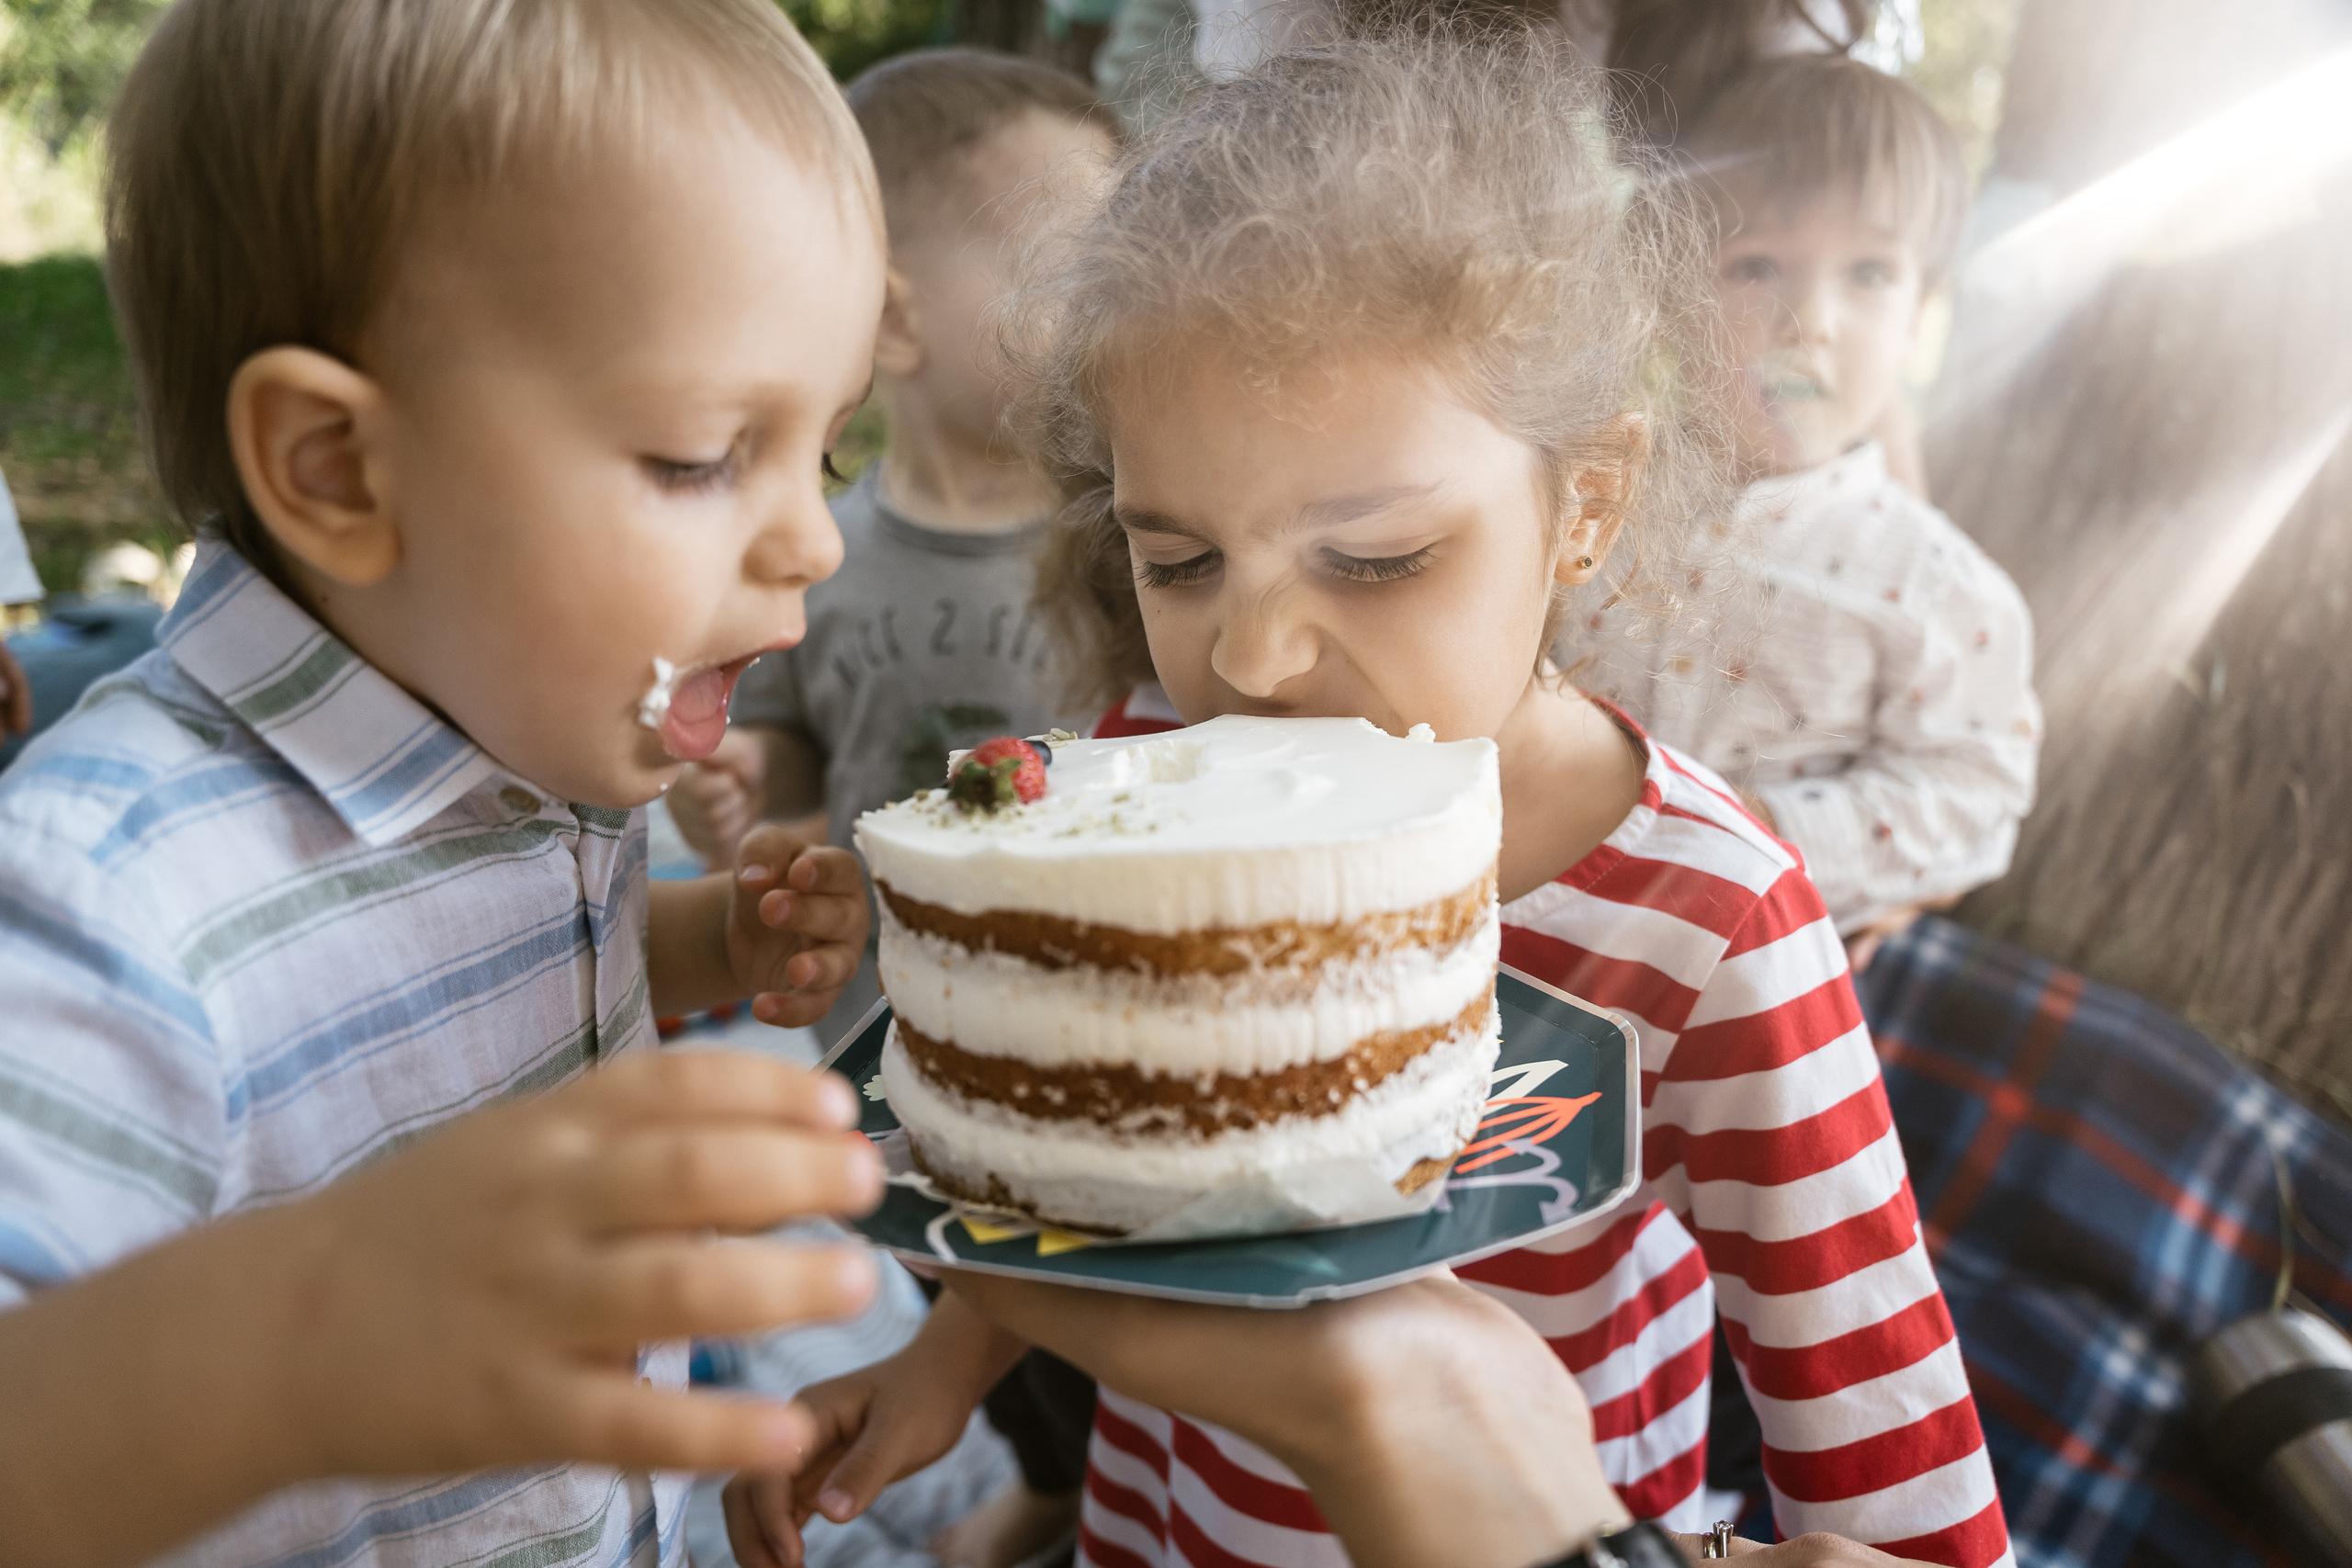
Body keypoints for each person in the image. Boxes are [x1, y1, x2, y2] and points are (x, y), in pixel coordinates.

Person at [724, 29, 2010, 1568]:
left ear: (1584, 504)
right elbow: (1086, 1157)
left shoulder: (1711, 928)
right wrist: (940, 1365)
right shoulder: (1143, 773)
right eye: (1180, 560)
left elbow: (1906, 1494)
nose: (1251, 658)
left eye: (1377, 557)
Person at [0, 1, 897, 1562]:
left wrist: (706, 943)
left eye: (821, 453)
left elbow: (469, 953)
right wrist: (294, 1340)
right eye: (700, 455)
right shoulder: (103, 896)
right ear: (338, 470)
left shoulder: (515, 724)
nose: (815, 538)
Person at [668, 47, 1115, 1054]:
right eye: (1074, 271)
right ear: (893, 319)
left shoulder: (1127, 541)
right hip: (883, 1033)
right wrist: (744, 781)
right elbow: (797, 766)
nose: (1115, 306)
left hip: (1100, 1019)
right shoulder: (811, 552)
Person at [1565, 55, 2039, 966]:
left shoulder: (1938, 584)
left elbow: (1974, 791)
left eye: (1869, 274)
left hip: (1768, 974)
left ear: (1918, 316)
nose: (1809, 320)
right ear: (1673, 297)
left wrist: (1767, 829)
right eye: (1756, 266)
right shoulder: (1582, 493)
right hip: (1550, 917)